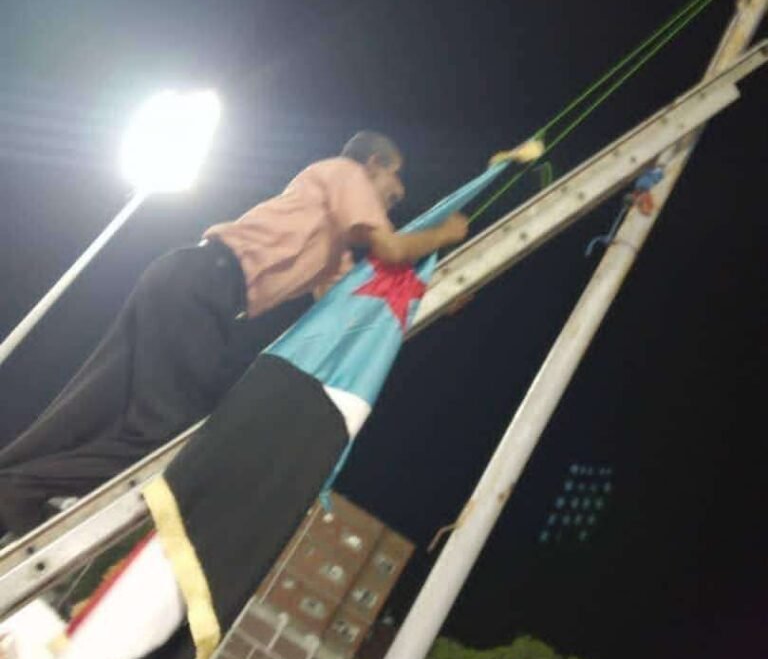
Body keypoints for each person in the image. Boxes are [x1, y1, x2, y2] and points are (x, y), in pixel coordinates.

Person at [0, 131, 468, 537]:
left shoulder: (334, 245)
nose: (391, 201)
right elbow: (391, 247)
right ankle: (24, 489)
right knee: (167, 436)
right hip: (207, 286)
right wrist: (445, 234)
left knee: (99, 400)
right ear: (374, 164)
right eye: (392, 189)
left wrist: (430, 295)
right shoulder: (347, 174)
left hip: (190, 279)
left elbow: (350, 306)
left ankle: (15, 483)